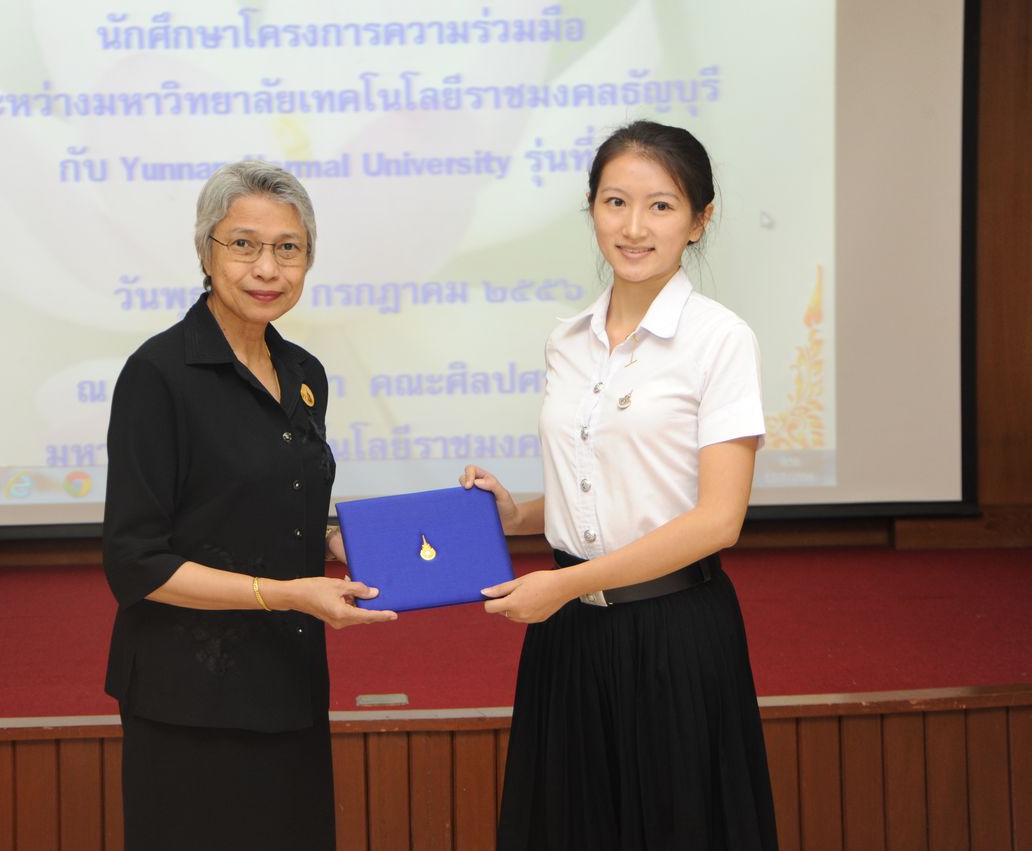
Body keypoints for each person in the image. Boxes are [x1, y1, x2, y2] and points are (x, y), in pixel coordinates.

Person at [461, 120, 778, 850]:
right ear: (592, 209)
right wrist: (516, 513)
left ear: (699, 220)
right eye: (615, 202)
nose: (634, 227)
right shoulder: (566, 339)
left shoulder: (720, 339)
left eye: (661, 206)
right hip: (569, 637)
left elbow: (718, 520)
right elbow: (606, 482)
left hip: (673, 635)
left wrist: (566, 584)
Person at [102, 160, 397, 851]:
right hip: (189, 699)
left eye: (288, 248)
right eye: (244, 244)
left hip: (290, 682)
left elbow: (266, 503)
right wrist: (287, 594)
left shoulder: (303, 373)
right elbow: (135, 562)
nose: (268, 268)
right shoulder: (158, 374)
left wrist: (333, 540)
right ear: (206, 251)